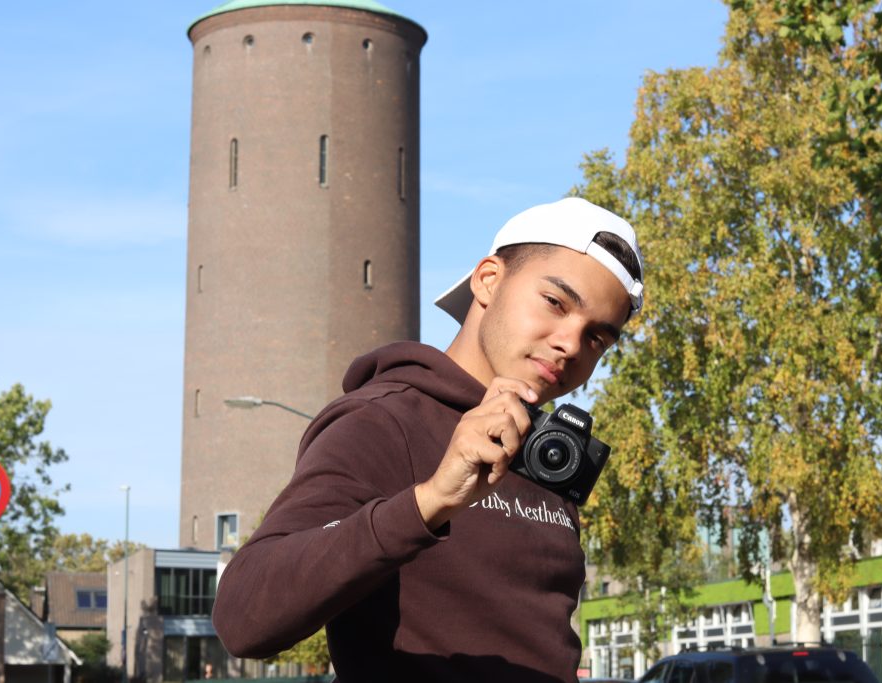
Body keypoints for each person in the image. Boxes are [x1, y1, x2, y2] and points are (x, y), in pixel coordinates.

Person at [212, 197, 645, 683]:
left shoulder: (546, 453)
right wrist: (431, 500)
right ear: (488, 280)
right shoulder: (383, 421)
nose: (570, 344)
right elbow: (242, 615)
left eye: (597, 339)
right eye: (555, 303)